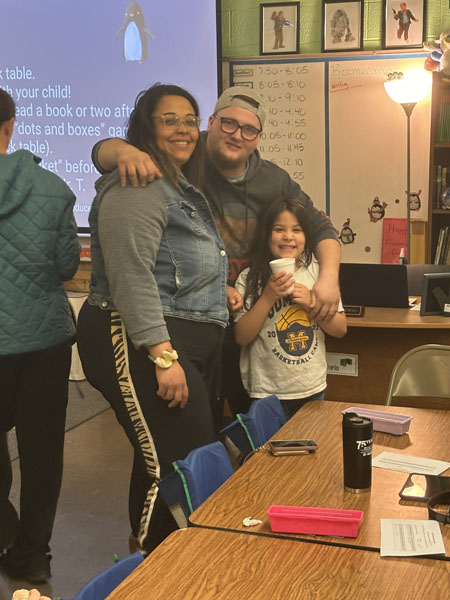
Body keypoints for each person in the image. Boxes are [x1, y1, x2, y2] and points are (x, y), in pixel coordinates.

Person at [91, 85, 341, 415]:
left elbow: (320, 227)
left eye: (249, 129)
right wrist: (124, 153)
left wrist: (329, 279)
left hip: (246, 315)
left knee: (245, 420)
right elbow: (101, 153)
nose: (237, 135)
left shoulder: (273, 180)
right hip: (184, 319)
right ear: (210, 121)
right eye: (228, 123)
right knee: (190, 421)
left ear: (259, 136)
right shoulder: (181, 156)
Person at [76, 84, 228, 554]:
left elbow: (178, 265)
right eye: (169, 119)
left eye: (189, 119)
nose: (183, 128)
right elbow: (131, 275)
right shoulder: (138, 184)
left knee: (166, 456)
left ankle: (164, 562)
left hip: (176, 333)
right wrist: (163, 356)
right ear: (147, 127)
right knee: (175, 460)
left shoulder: (176, 185)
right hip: (136, 340)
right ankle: (150, 570)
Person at [0, 89, 80, 584]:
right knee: (42, 451)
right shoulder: (51, 187)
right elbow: (68, 265)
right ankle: (31, 554)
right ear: (10, 125)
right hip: (45, 343)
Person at [234, 197, 347, 419]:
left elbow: (340, 329)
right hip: (266, 392)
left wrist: (312, 302)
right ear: (267, 235)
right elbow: (241, 336)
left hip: (310, 388)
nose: (288, 236)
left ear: (307, 237)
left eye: (297, 229)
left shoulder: (318, 274)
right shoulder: (249, 278)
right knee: (266, 452)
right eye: (279, 229)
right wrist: (267, 297)